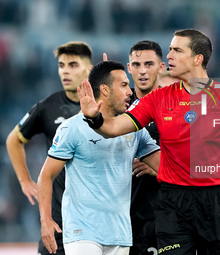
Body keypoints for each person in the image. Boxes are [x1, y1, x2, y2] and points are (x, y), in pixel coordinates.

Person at [78, 29, 220, 255]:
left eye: (177, 50)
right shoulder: (158, 98)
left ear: (197, 58)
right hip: (173, 203)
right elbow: (112, 128)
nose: (169, 55)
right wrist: (93, 117)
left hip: (217, 201)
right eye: (170, 50)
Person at [37, 60, 161, 255]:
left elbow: (165, 166)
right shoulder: (73, 127)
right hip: (82, 233)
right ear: (104, 89)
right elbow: (46, 175)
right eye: (123, 85)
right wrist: (46, 220)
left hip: (120, 234)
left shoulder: (136, 131)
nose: (130, 91)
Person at [6, 41, 93, 255]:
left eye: (72, 65)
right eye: (61, 65)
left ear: (89, 68)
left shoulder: (105, 105)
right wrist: (25, 179)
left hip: (95, 217)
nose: (65, 70)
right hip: (58, 216)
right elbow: (13, 140)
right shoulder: (47, 107)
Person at [127, 40, 165, 255]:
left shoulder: (175, 105)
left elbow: (197, 157)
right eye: (136, 64)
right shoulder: (116, 107)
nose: (142, 71)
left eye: (149, 64)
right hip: (119, 216)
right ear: (128, 67)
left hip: (159, 214)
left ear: (161, 67)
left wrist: (160, 165)